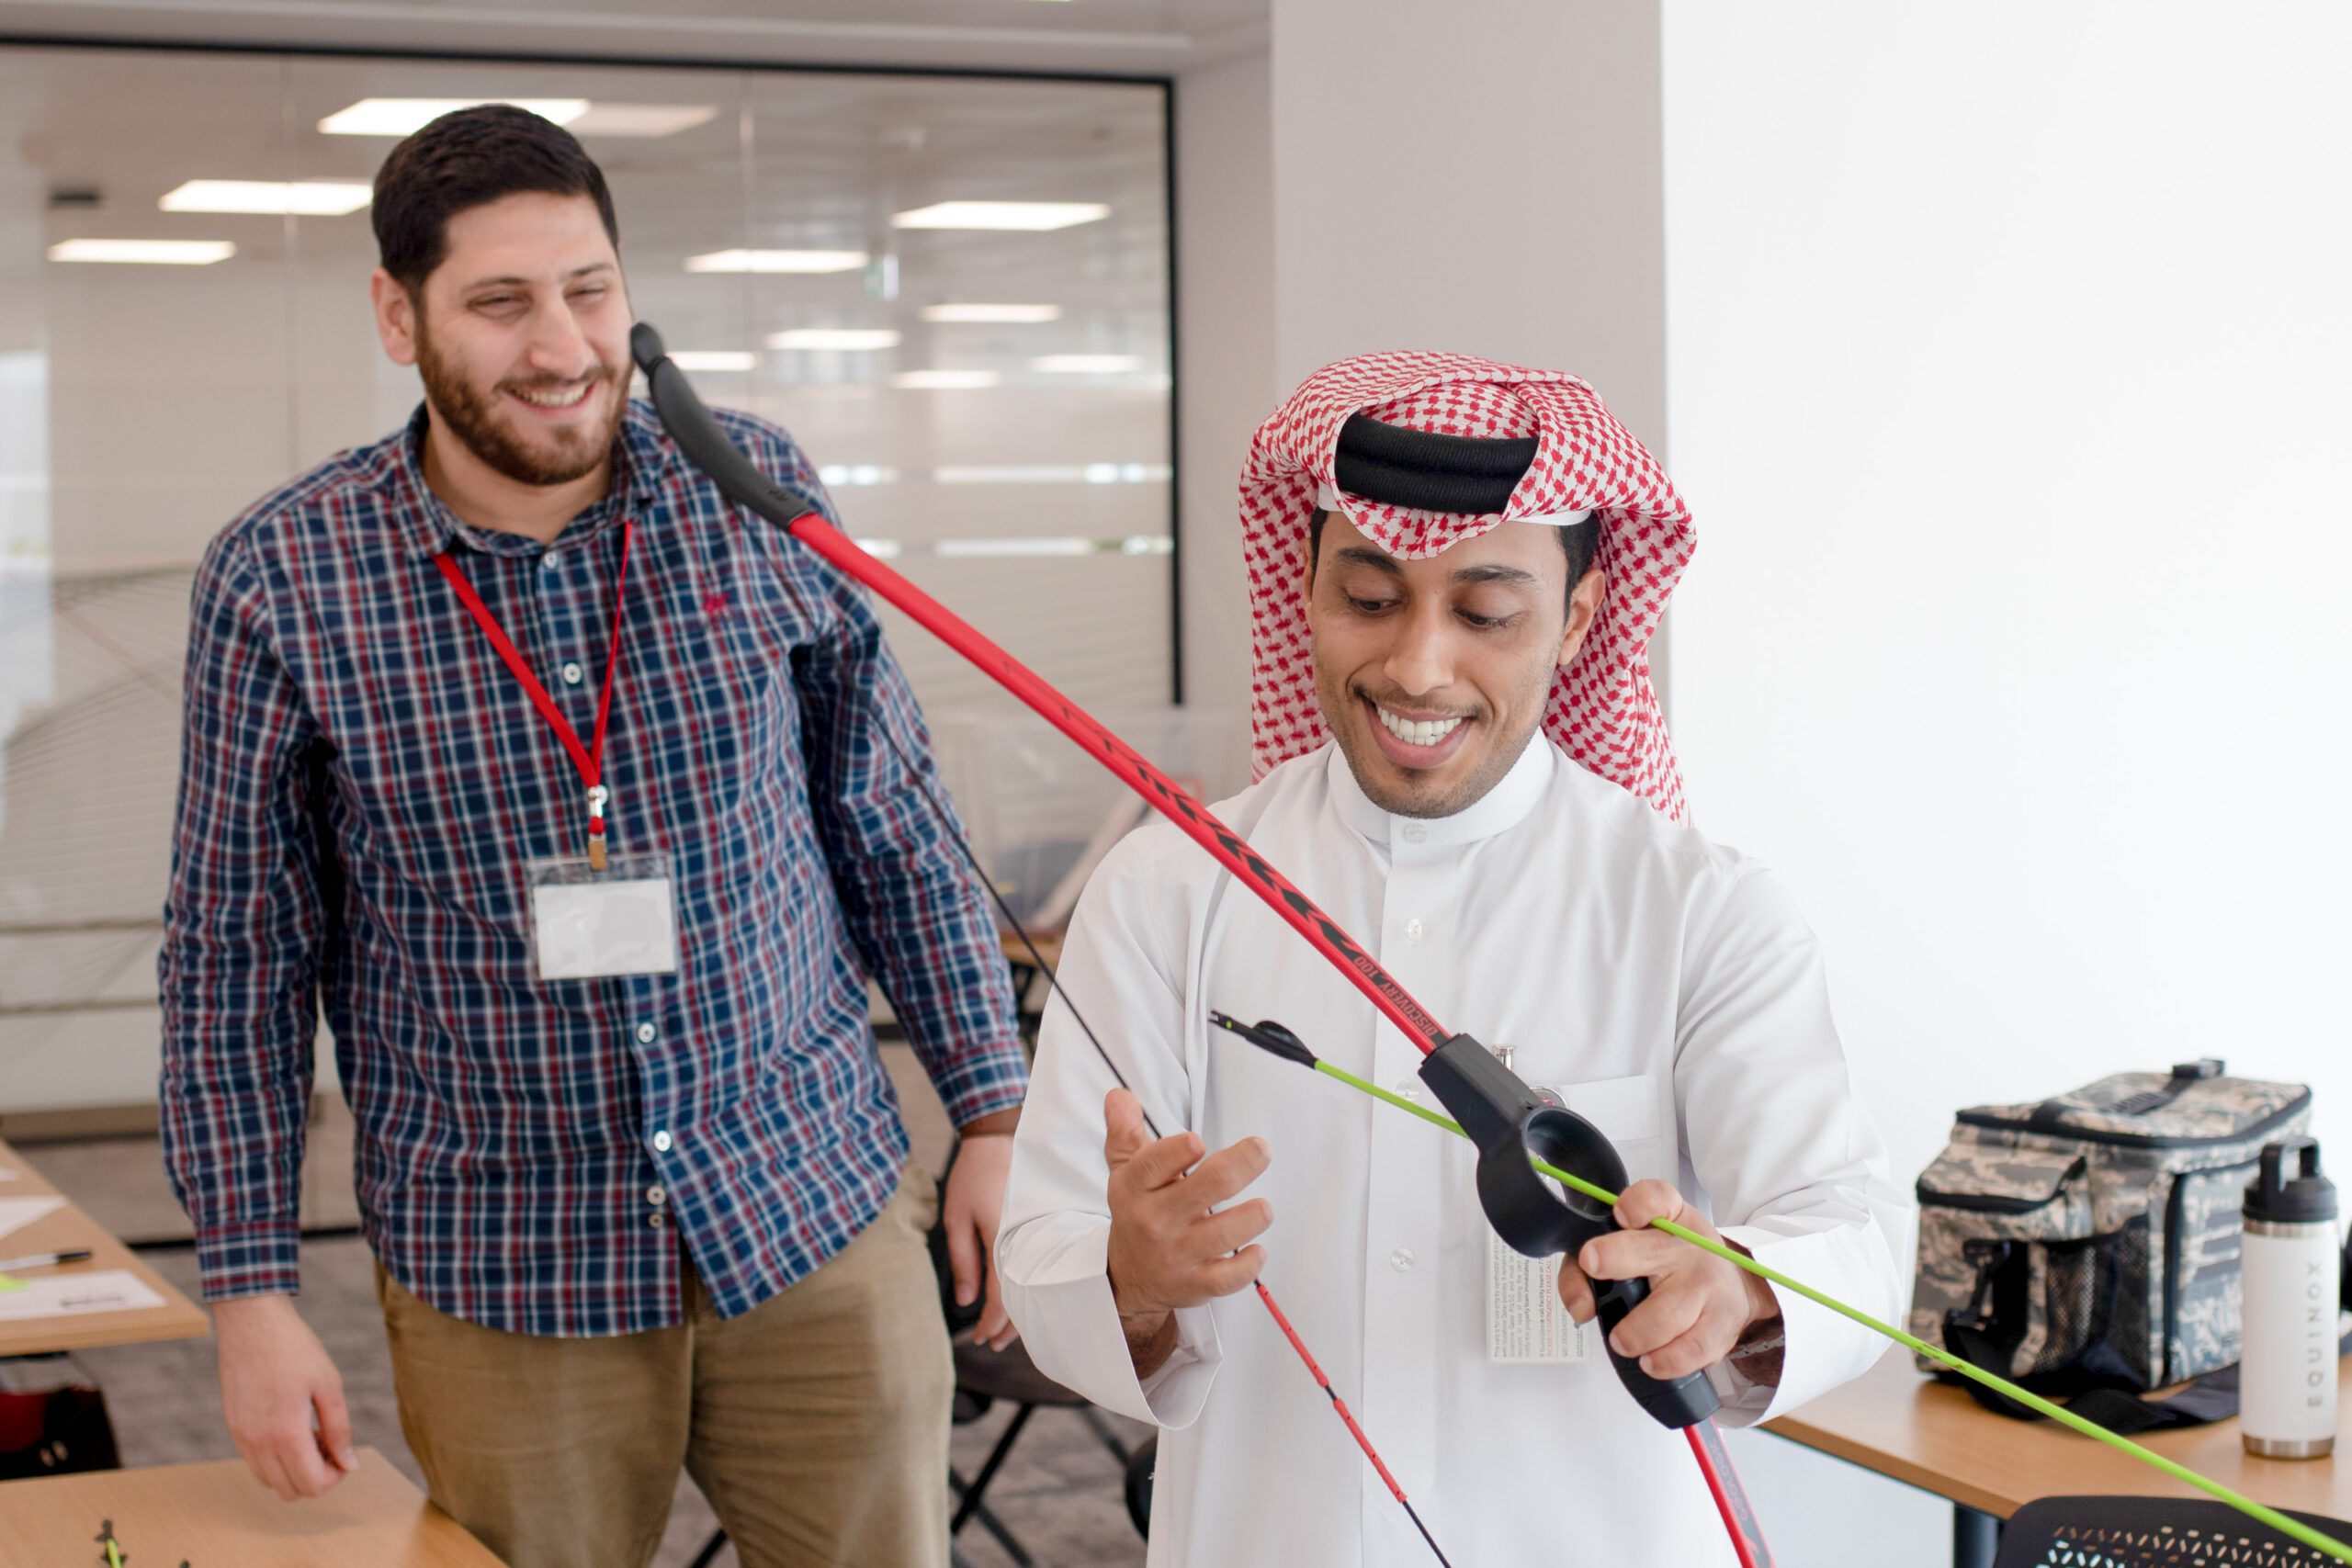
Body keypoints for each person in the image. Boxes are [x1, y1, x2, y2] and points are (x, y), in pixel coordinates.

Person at [157, 105, 1026, 1568]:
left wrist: (996, 1111)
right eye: (499, 302)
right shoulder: (284, 578)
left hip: (809, 1200)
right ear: (398, 313)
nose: (562, 345)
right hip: (502, 1259)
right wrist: (248, 1292)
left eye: (590, 290)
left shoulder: (752, 490)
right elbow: (237, 957)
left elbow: (889, 821)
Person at [997, 352, 1913, 1565]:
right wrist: (1135, 1275)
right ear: (1304, 584)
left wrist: (1739, 1289)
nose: (1418, 666)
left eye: (1485, 613)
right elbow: (1046, 1251)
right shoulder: (1169, 892)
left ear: (1581, 617)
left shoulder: (1702, 908)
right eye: (1369, 598)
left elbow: (1847, 1229)